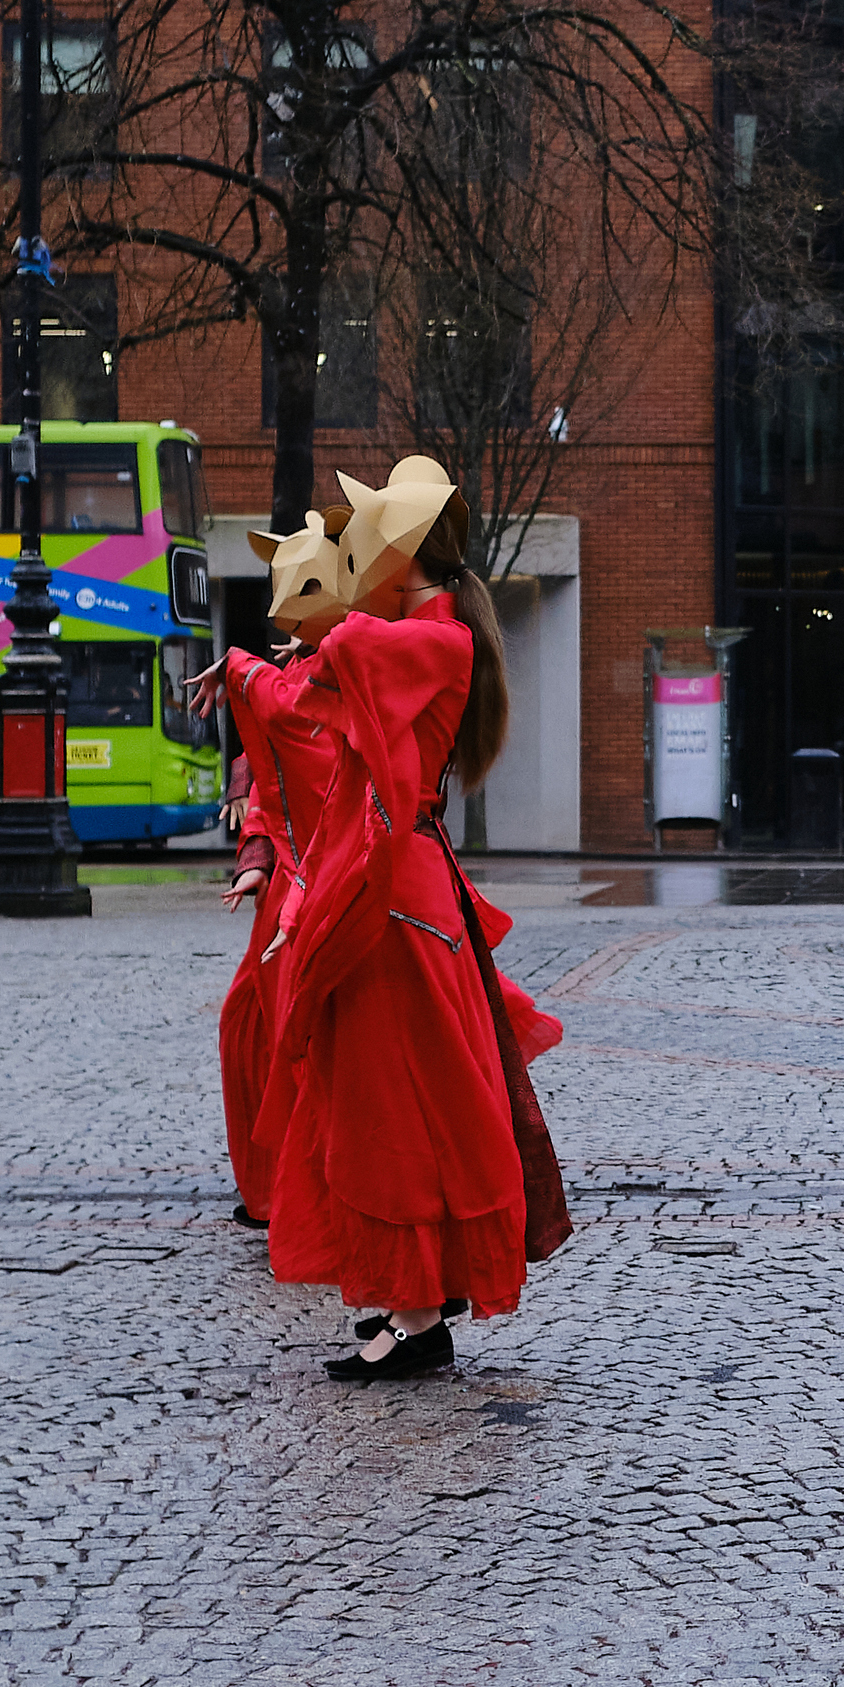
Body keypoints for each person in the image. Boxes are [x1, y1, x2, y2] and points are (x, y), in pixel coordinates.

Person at [193, 458, 570, 1383]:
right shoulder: (425, 637)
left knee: (390, 1106)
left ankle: (412, 1313)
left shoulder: (420, 641)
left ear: (397, 553)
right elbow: (315, 688)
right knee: (403, 1100)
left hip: (395, 901)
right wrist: (258, 667)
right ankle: (414, 1304)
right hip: (402, 894)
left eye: (368, 541)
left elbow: (331, 666)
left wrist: (255, 663)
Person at [211, 508, 350, 1227]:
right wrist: (258, 859)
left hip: (334, 878)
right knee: (250, 1023)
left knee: (306, 1035)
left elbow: (309, 775)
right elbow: (270, 783)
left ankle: (310, 1190)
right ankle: (278, 1187)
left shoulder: (344, 669)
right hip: (292, 880)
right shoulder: (299, 668)